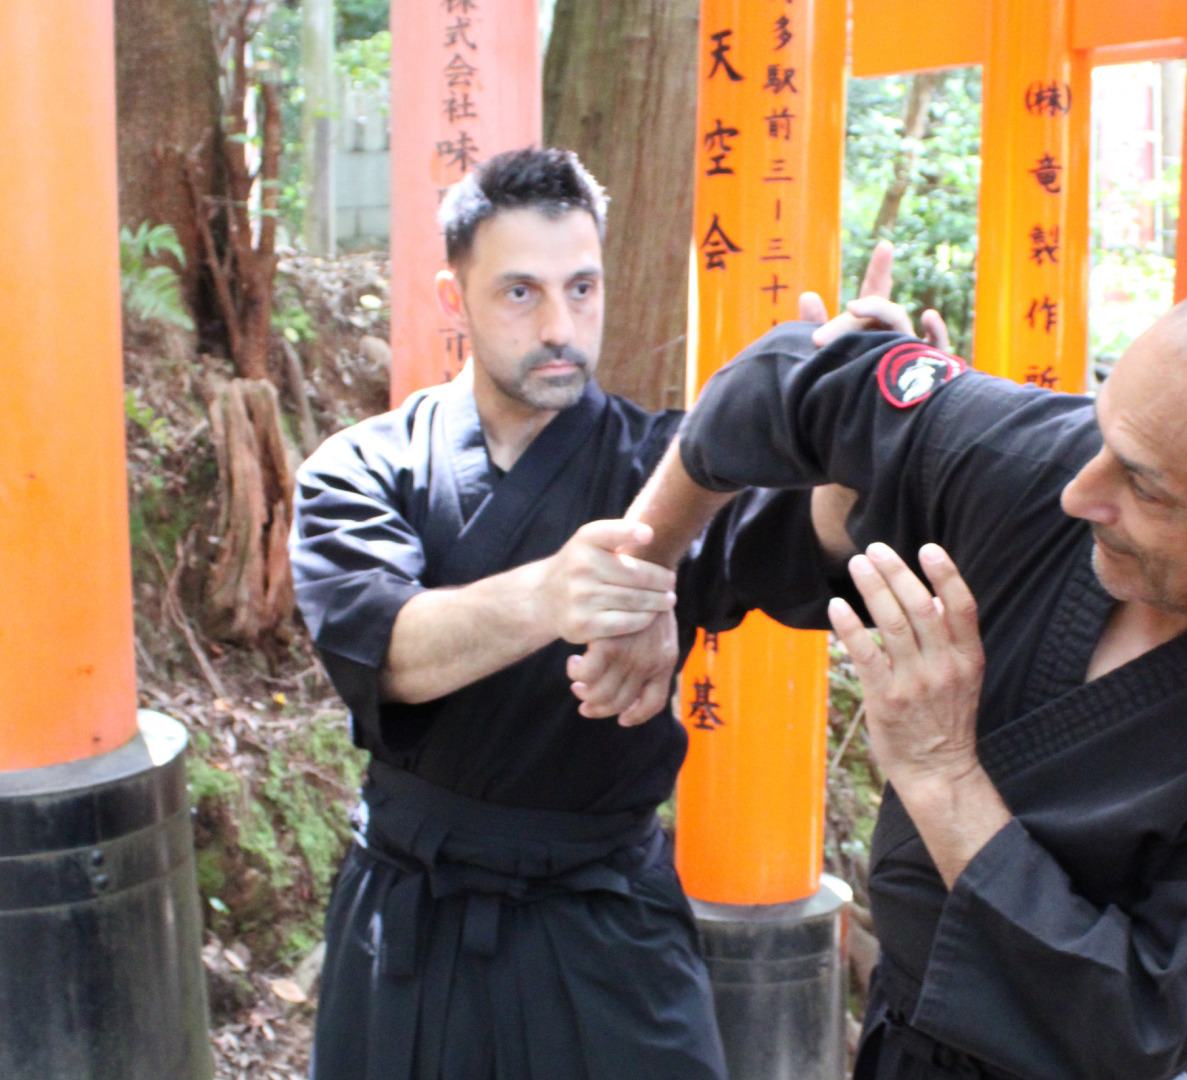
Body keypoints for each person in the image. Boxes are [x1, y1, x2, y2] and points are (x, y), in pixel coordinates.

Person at [601, 273, 1187, 1080]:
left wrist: (940, 774)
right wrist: (648, 571)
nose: (1080, 492)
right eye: (1103, 434)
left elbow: (1134, 1024)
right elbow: (786, 375)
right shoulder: (1038, 455)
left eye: (1144, 487)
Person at [288, 147, 821, 1080]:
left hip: (604, 919)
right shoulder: (364, 468)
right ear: (454, 300)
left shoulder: (663, 469)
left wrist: (862, 413)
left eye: (582, 288)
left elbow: (809, 533)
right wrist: (550, 593)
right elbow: (390, 654)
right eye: (520, 293)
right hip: (417, 919)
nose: (559, 328)